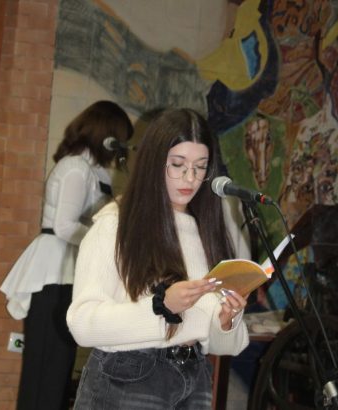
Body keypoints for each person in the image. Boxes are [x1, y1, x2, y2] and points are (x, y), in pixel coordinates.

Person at [67, 108, 250, 409]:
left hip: (195, 376)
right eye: (177, 165)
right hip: (130, 376)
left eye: (200, 167)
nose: (189, 178)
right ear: (154, 161)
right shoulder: (115, 224)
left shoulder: (208, 231)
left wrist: (227, 321)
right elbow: (82, 323)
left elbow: (224, 345)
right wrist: (162, 308)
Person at [0, 100, 133, 410]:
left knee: (58, 372)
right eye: (119, 139)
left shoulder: (95, 171)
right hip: (54, 271)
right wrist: (103, 242)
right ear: (106, 135)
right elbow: (64, 226)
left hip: (70, 270)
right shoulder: (75, 168)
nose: (120, 148)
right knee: (46, 370)